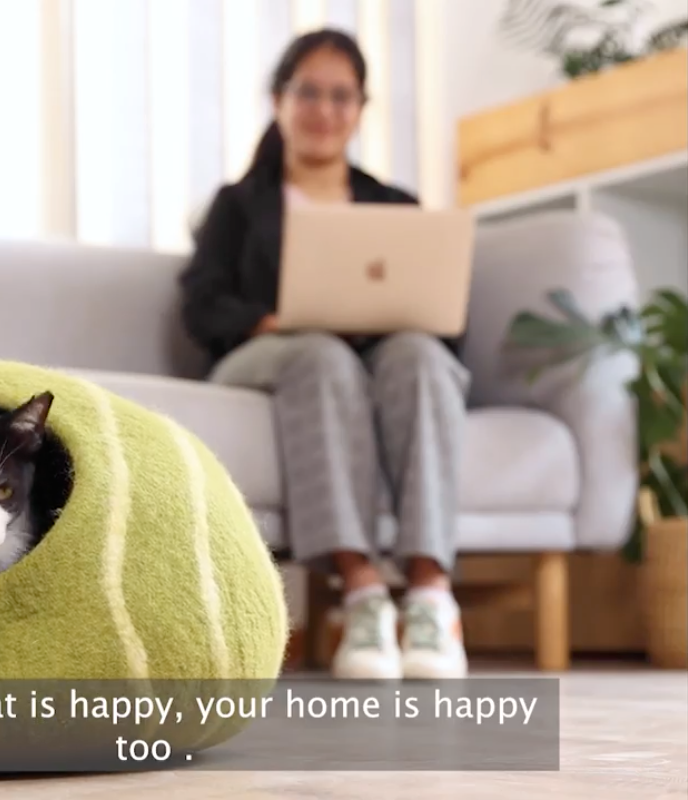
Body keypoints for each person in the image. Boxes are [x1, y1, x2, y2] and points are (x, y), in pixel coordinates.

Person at [178, 28, 470, 681]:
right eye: (307, 91)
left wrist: (389, 322)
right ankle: (360, 591)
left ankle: (428, 593)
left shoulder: (396, 207)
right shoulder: (238, 206)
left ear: (359, 109)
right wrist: (270, 319)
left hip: (378, 357)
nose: (323, 109)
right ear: (279, 99)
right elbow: (201, 306)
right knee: (319, 354)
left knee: (421, 357)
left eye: (341, 96)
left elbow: (443, 319)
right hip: (269, 358)